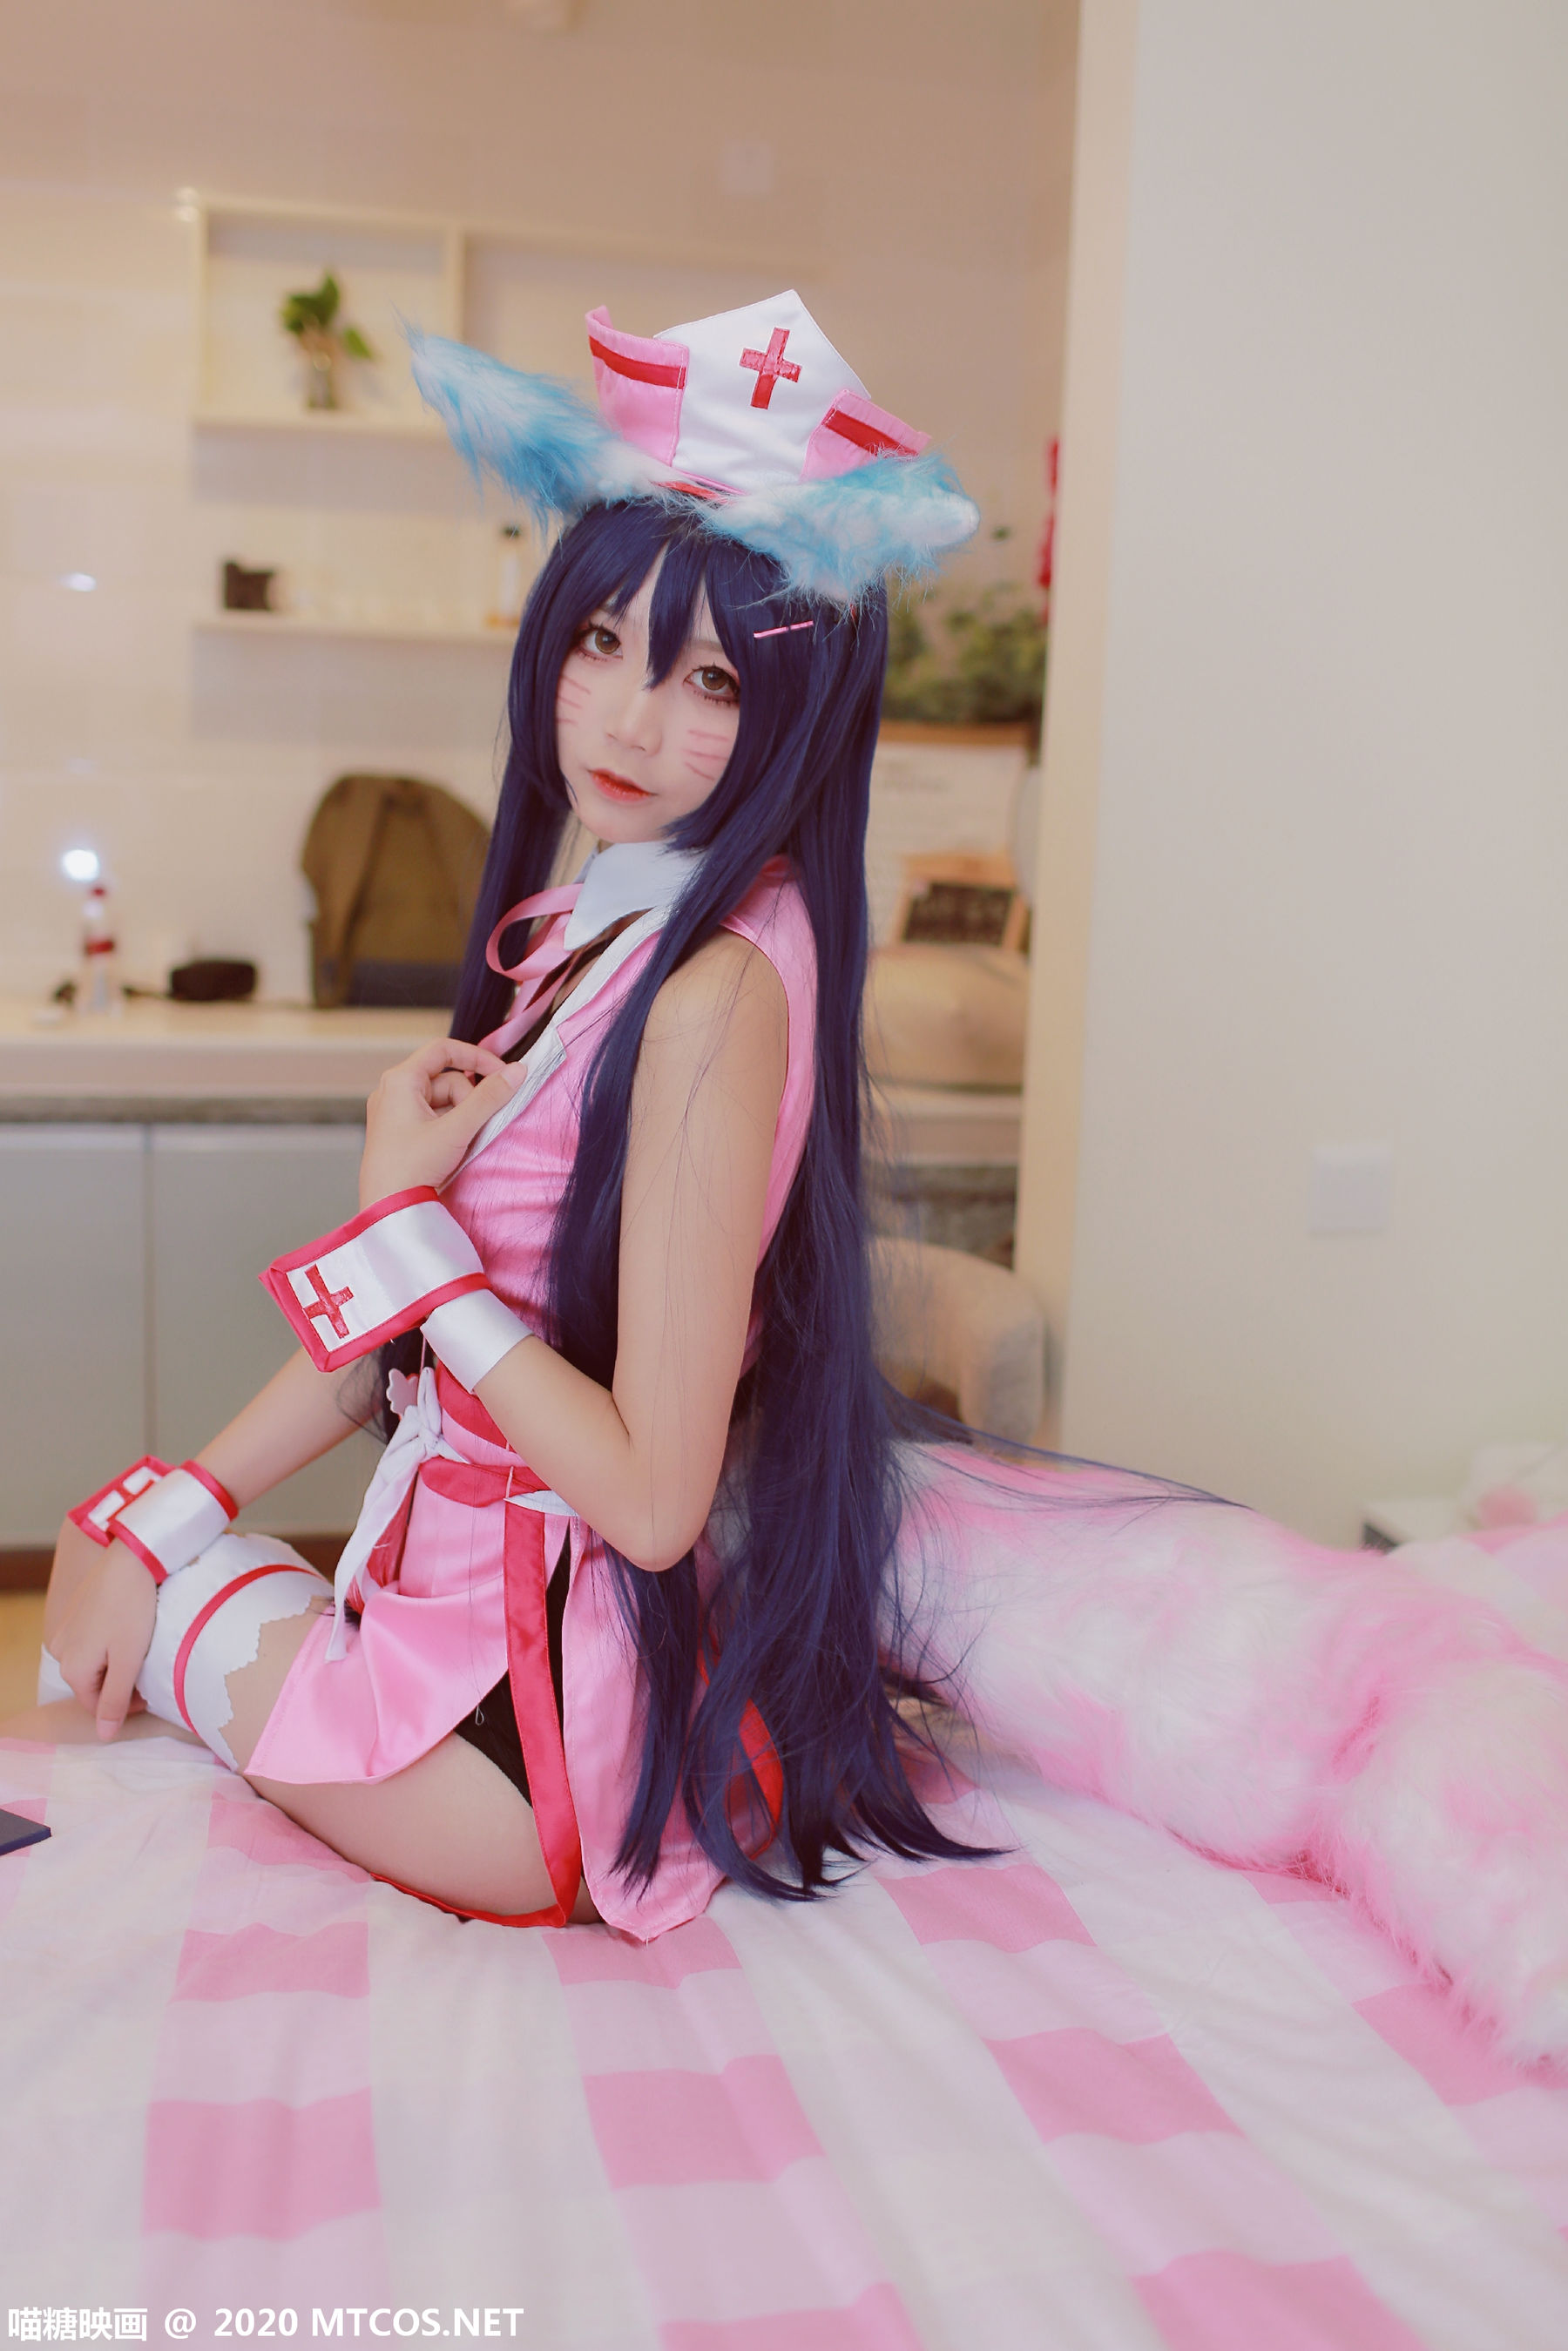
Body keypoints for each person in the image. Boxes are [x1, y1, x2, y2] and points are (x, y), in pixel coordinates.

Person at [17, 294, 1568, 2058]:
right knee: (150, 1573)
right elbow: (399, 1336)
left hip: (526, 1761)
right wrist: (165, 1496)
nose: (629, 717)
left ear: (794, 711)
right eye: (603, 640)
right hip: (459, 1639)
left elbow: (649, 1497)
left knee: (155, 1622)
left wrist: (404, 1242)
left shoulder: (716, 994)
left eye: (711, 681)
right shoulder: (607, 929)